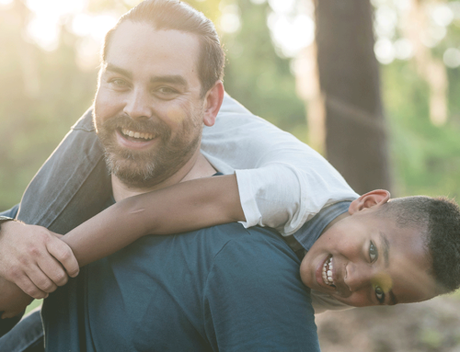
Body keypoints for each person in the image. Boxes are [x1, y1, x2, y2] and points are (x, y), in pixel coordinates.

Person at [1, 1, 326, 350]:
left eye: (165, 89)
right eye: (118, 81)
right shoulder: (68, 220)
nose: (136, 108)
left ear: (211, 104)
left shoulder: (245, 262)